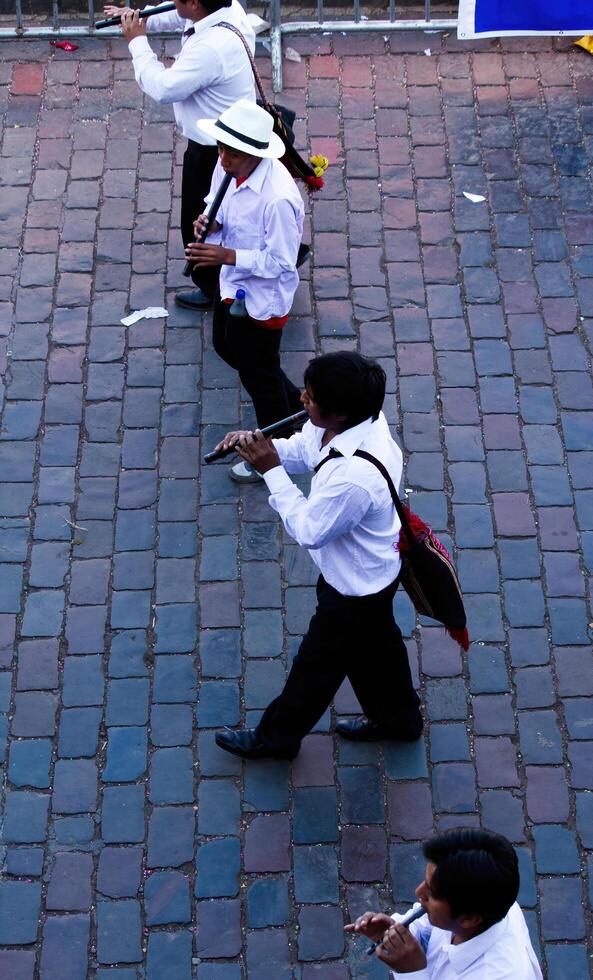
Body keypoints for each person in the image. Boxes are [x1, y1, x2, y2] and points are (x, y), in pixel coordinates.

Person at [212, 351, 424, 759]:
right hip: (371, 574)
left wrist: (270, 470)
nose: (302, 399)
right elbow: (306, 449)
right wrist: (260, 446)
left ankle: (275, 739)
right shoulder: (354, 422)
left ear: (339, 414)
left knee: (316, 666)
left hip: (355, 587)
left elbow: (310, 530)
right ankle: (400, 720)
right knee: (377, 650)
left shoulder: (353, 480)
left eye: (310, 398)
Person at [104, 0, 256, 310]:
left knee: (200, 222)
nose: (172, 1)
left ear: (195, 3)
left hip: (214, 151)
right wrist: (140, 16)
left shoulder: (211, 49)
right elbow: (177, 13)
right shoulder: (226, 10)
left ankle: (214, 288)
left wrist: (137, 42)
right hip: (228, 138)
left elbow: (164, 87)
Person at [185, 99, 305, 484]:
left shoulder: (279, 199)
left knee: (258, 376)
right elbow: (216, 209)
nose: (221, 159)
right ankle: (299, 406)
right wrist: (210, 224)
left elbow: (283, 261)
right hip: (232, 288)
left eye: (230, 153)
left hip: (261, 300)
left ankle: (274, 449)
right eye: (220, 149)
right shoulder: (229, 171)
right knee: (228, 347)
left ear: (253, 153)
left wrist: (226, 254)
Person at [346, 829, 543, 979]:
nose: (418, 892)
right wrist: (399, 930)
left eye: (431, 894)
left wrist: (411, 972)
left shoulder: (500, 974)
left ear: (469, 919)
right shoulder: (484, 900)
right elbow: (428, 929)